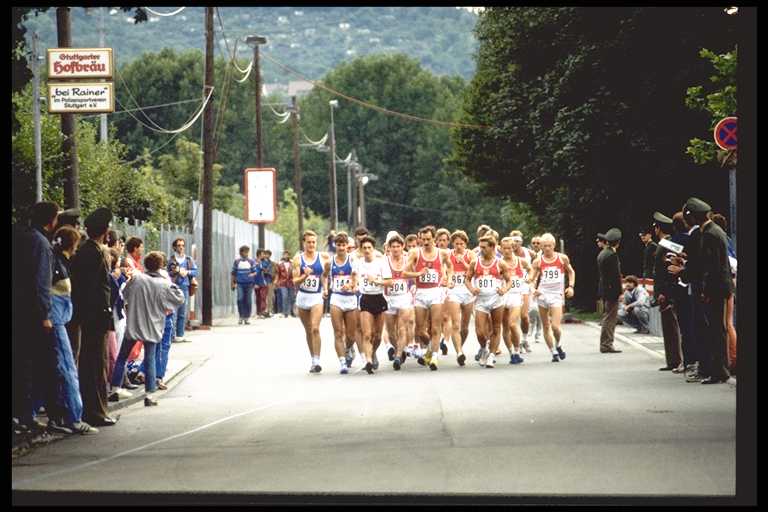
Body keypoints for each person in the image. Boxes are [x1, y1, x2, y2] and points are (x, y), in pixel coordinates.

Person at [12, 202, 64, 434]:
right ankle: (36, 416)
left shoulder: (20, 236)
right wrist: (45, 315)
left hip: (18, 308)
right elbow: (42, 282)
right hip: (34, 313)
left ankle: (20, 415)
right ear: (51, 220)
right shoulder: (42, 244)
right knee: (41, 364)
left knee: (20, 363)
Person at [669, 198, 733, 384]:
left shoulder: (710, 234)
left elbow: (711, 267)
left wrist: (705, 289)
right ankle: (718, 369)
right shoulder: (713, 231)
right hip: (718, 287)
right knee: (715, 329)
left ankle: (719, 371)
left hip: (715, 289)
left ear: (693, 216)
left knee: (715, 330)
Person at [114, 252, 185, 406]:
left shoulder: (137, 279)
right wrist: (165, 305)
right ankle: (149, 395)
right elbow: (179, 297)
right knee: (150, 358)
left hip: (135, 323)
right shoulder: (164, 283)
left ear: (145, 264)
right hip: (153, 325)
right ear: (160, 265)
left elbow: (125, 293)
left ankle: (115, 387)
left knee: (122, 356)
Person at [70, 207, 119, 427]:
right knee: (95, 364)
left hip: (95, 315)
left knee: (97, 363)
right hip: (95, 316)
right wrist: (101, 314)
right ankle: (95, 411)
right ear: (105, 230)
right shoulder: (92, 252)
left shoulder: (90, 250)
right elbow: (92, 289)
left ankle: (98, 409)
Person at [48, 226, 99, 434]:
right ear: (73, 244)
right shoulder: (58, 264)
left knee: (53, 368)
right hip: (56, 320)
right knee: (68, 368)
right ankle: (74, 417)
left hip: (57, 319)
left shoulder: (58, 261)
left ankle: (54, 415)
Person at [406, 225, 454, 371]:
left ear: (434, 238)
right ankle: (431, 348)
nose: (425, 242)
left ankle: (433, 357)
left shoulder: (443, 253)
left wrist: (449, 278)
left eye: (428, 239)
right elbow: (405, 272)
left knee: (435, 327)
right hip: (420, 292)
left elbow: (450, 267)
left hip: (435, 292)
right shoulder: (415, 253)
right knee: (420, 330)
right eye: (423, 239)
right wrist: (418, 274)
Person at [529, 232, 577, 362]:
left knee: (555, 326)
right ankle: (553, 352)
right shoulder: (538, 261)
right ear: (541, 247)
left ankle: (558, 344)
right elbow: (531, 279)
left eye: (549, 246)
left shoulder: (562, 258)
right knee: (546, 325)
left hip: (556, 295)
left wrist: (571, 286)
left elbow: (571, 272)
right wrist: (533, 289)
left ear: (554, 245)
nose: (547, 248)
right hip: (543, 295)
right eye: (544, 246)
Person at [465, 234, 511, 368]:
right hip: (481, 300)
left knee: (496, 328)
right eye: (480, 247)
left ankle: (491, 356)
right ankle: (484, 347)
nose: (481, 250)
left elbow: (509, 281)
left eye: (484, 247)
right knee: (479, 331)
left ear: (492, 247)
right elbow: (467, 279)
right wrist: (472, 289)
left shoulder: (500, 263)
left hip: (496, 299)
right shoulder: (475, 262)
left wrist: (504, 289)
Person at [353, 236, 394, 374]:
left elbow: (389, 282)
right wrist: (352, 284)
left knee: (377, 335)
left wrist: (376, 281)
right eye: (364, 248)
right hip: (365, 299)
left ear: (373, 249)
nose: (367, 250)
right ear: (361, 249)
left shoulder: (381, 263)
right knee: (367, 334)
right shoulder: (358, 263)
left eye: (369, 247)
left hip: (379, 299)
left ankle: (373, 352)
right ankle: (368, 360)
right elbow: (354, 278)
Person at [293, 231, 331, 373]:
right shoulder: (298, 259)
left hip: (316, 297)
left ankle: (317, 360)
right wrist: (304, 276)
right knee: (308, 330)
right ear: (304, 243)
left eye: (313, 242)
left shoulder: (323, 257)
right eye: (309, 242)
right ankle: (312, 360)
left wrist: (325, 288)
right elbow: (295, 281)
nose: (311, 245)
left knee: (315, 328)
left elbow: (325, 276)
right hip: (303, 297)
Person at [323, 232, 359, 374]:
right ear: (335, 246)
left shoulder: (352, 261)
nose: (341, 248)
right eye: (338, 245)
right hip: (336, 299)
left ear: (347, 246)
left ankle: (349, 348)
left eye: (343, 245)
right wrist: (325, 288)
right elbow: (325, 276)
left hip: (350, 299)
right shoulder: (329, 262)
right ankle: (343, 362)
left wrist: (351, 285)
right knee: (338, 333)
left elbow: (356, 278)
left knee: (351, 335)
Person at [652, 212, 684, 371]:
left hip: (667, 291)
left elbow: (665, 272)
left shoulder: (667, 244)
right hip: (667, 290)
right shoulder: (667, 243)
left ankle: (675, 359)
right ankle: (672, 359)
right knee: (669, 327)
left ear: (658, 228)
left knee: (671, 327)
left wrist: (663, 292)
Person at [443, 230, 476, 366]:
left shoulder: (471, 255)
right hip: (454, 290)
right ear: (452, 244)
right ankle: (459, 352)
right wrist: (446, 279)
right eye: (456, 244)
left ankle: (460, 346)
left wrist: (464, 263)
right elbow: (443, 271)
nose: (459, 246)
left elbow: (475, 272)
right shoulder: (448, 255)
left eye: (461, 243)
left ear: (466, 244)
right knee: (456, 324)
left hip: (468, 291)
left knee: (465, 326)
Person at [383, 233, 415, 370]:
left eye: (398, 246)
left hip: (404, 297)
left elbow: (415, 273)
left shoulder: (409, 259)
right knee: (391, 331)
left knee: (402, 327)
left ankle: (398, 355)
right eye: (393, 247)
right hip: (389, 298)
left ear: (403, 247)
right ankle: (399, 349)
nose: (395, 249)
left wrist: (414, 285)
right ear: (389, 248)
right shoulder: (384, 261)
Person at [710, 213, 737, 373]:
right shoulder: (727, 240)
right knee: (728, 323)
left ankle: (733, 360)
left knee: (726, 324)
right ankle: (731, 359)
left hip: (726, 283)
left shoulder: (720, 241)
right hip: (730, 282)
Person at [500, 236, 532, 364]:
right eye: (504, 248)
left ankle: (517, 350)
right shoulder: (498, 262)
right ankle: (511, 352)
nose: (507, 251)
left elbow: (531, 270)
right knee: (505, 327)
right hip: (502, 296)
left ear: (513, 248)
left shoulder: (521, 261)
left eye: (509, 248)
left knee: (513, 324)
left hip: (515, 295)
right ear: (501, 249)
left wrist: (529, 278)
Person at [592, 228, 623, 355]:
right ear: (617, 242)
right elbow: (616, 276)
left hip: (605, 288)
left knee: (607, 316)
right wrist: (620, 292)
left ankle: (606, 343)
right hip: (612, 290)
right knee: (610, 317)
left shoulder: (603, 253)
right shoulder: (612, 255)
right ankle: (607, 344)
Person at [510, 230, 536, 352]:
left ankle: (524, 339)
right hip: (510, 286)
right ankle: (516, 342)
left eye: (517, 241)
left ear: (521, 242)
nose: (514, 244)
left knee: (524, 316)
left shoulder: (529, 253)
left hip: (524, 286)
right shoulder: (505, 252)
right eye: (513, 241)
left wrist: (532, 279)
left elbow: (537, 266)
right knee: (512, 319)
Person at [168, 238, 198, 343]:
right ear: (174, 247)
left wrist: (187, 272)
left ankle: (180, 335)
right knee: (173, 312)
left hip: (184, 286)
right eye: (179, 245)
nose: (181, 247)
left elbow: (195, 271)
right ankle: (171, 335)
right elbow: (169, 272)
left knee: (182, 311)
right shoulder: (171, 260)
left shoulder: (188, 259)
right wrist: (176, 272)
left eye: (182, 245)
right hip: (173, 287)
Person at [231, 246, 259, 325]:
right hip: (239, 283)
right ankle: (241, 316)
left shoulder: (251, 261)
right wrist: (232, 283)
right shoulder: (237, 261)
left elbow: (255, 272)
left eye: (247, 252)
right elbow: (233, 273)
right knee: (240, 299)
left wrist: (252, 274)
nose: (246, 253)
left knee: (248, 300)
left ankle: (247, 317)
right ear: (241, 253)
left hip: (249, 283)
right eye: (245, 252)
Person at [276, 250, 295, 318]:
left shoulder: (293, 263)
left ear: (289, 255)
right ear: (283, 255)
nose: (286, 256)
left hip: (291, 282)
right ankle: (285, 312)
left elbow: (296, 272)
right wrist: (277, 281)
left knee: (292, 297)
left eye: (287, 254)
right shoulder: (279, 263)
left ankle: (291, 311)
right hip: (283, 282)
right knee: (284, 297)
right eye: (285, 254)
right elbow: (277, 274)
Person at [262, 250, 276, 318]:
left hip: (270, 281)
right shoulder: (262, 262)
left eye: (268, 254)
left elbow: (273, 272)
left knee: (270, 296)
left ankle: (269, 310)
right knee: (263, 297)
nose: (266, 255)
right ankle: (263, 311)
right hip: (263, 281)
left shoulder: (272, 263)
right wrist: (266, 271)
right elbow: (262, 271)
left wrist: (268, 272)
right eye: (265, 254)